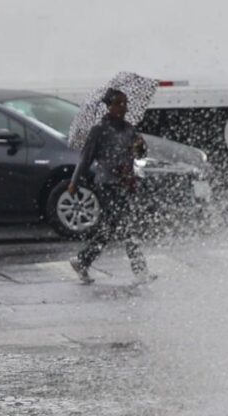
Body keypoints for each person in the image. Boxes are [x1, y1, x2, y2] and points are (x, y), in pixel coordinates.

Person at [68, 89, 154, 285]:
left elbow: (140, 155)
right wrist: (74, 182)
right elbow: (85, 158)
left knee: (116, 227)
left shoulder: (129, 129)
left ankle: (83, 261)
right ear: (109, 106)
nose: (123, 108)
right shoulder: (99, 130)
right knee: (121, 227)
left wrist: (140, 147)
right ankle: (139, 271)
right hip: (107, 184)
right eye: (119, 104)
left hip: (126, 183)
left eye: (125, 104)